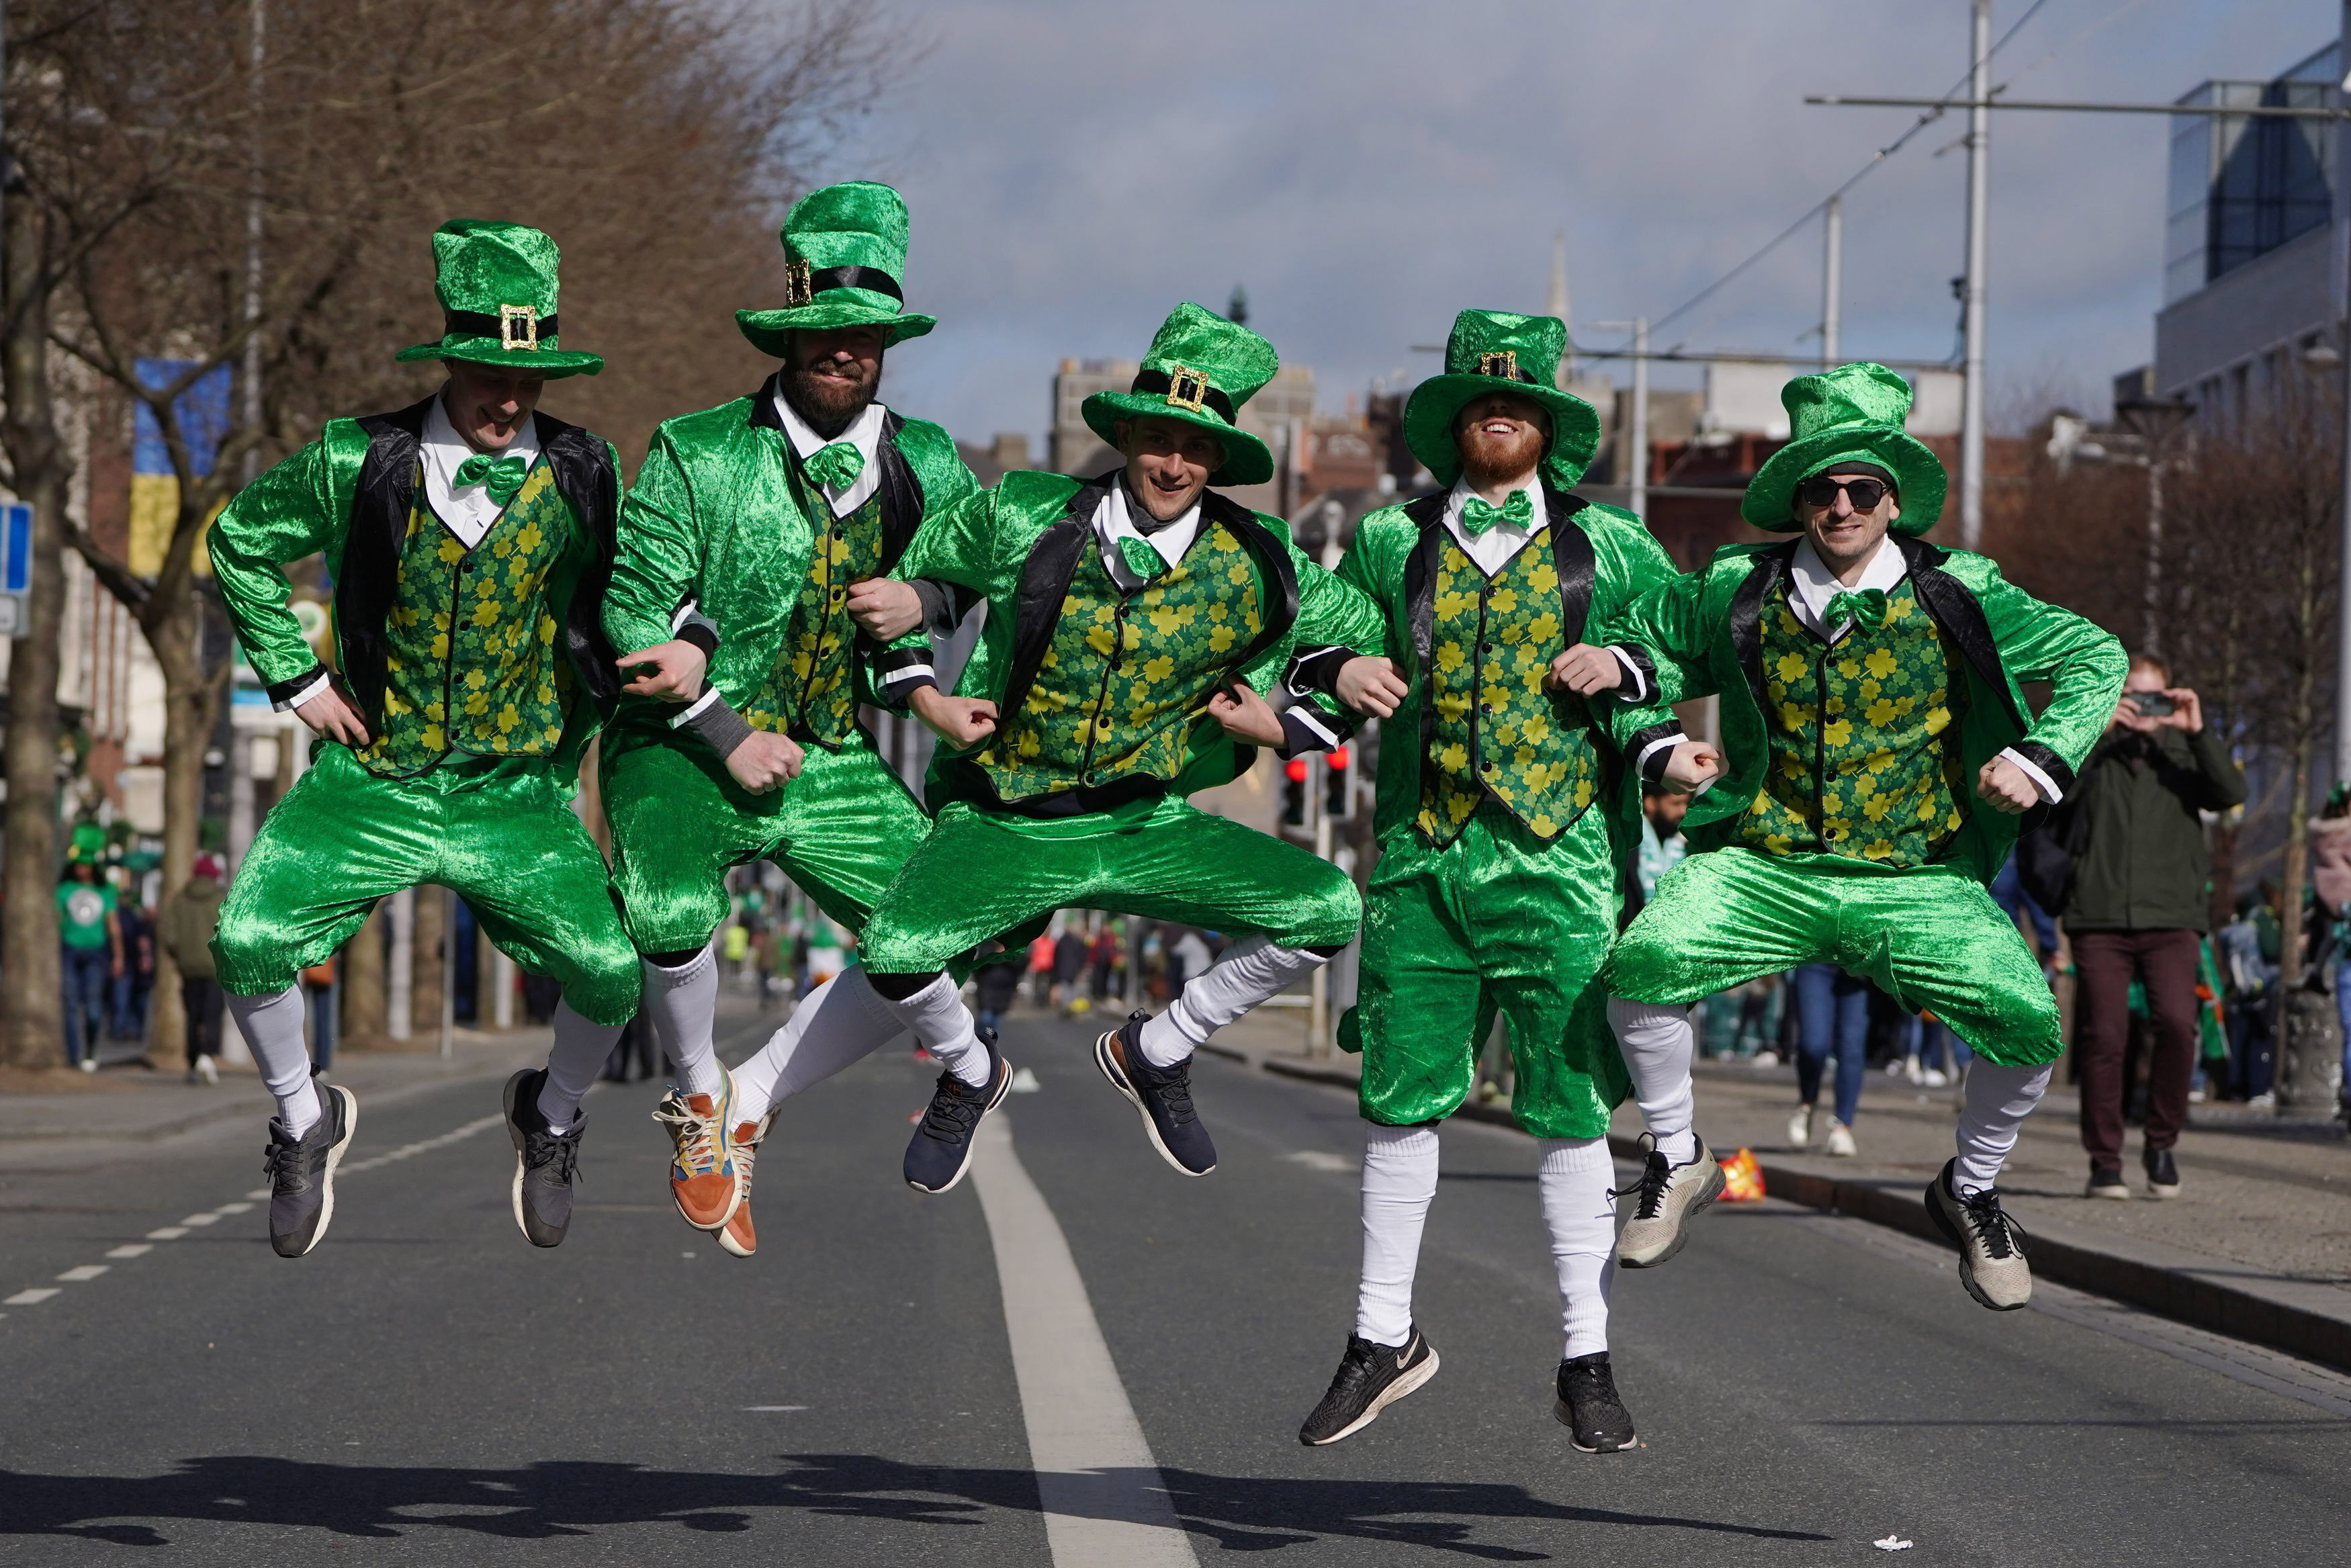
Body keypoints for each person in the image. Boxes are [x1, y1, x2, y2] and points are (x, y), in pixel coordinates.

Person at [1570, 362, 2125, 1311]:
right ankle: (1678, 1153)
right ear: (1796, 498)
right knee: (1645, 963)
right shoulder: (1740, 586)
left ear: (1893, 499)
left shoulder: (1960, 591)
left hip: (1913, 875)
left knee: (2031, 1022)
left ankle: (1972, 1188)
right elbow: (1645, 643)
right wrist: (1653, 733)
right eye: (1821, 488)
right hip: (1765, 862)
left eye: (1861, 487)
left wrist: (2038, 758)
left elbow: (2094, 654)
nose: (1840, 505)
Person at [858, 302, 1383, 1194]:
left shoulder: (1260, 558)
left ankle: (1161, 1046)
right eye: (1157, 438)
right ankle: (968, 1068)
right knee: (893, 947)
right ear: (1126, 434)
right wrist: (920, 673)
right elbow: (926, 577)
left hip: (1147, 822)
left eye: (1195, 448)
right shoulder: (1027, 510)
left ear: (1218, 458)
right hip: (1010, 818)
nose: (1173, 464)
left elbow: (1358, 641)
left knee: (1329, 907)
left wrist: (1289, 722)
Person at [1280, 310, 1682, 1453]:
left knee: (1566, 1112)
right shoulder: (1382, 540)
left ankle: (1586, 1358)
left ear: (1548, 428)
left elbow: (1674, 657)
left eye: (1520, 406)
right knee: (1401, 1101)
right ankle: (1380, 1337)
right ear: (1455, 423)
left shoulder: (1614, 547)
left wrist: (1638, 695)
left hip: (1561, 868)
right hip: (1420, 858)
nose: (1498, 418)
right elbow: (1319, 633)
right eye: (1480, 403)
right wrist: (1343, 663)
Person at [207, 220, 639, 1257]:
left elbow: (632, 595)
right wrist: (299, 675)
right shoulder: (359, 458)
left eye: (528, 377)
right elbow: (238, 541)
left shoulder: (587, 468)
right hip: (376, 775)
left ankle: (553, 1111)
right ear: (449, 357)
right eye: (489, 370)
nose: (507, 397)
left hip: (515, 791)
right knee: (246, 937)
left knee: (612, 968)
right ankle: (304, 1116)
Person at [594, 181, 979, 1260]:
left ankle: (753, 1096)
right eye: (821, 333)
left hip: (834, 753)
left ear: (885, 343)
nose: (841, 350)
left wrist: (928, 613)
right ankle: (696, 1101)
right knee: (667, 907)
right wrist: (722, 726)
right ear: (789, 334)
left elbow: (958, 577)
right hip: (684, 742)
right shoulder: (697, 450)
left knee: (949, 917)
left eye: (862, 335)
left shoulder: (929, 462)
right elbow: (636, 610)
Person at [2060, 653, 2246, 1198]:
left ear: (2171, 699)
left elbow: (2232, 796)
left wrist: (2197, 729)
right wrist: (2097, 728)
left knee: (2176, 1022)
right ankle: (2105, 1160)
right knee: (2105, 1036)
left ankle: (2161, 1143)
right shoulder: (2097, 750)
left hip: (2172, 916)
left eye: (2154, 698)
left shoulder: (2187, 752)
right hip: (2100, 915)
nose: (2142, 708)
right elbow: (2053, 801)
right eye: (2133, 696)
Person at [159, 854, 229, 1085]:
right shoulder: (221, 898)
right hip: (214, 966)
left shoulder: (179, 899)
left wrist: (179, 954)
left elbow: (167, 933)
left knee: (193, 1014)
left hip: (188, 966)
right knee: (212, 1013)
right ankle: (208, 1055)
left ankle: (191, 1061)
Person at [1787, 965, 1867, 1155]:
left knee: (1852, 1047)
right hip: (1816, 957)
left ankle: (1843, 1125)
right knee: (1813, 1045)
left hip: (1859, 967)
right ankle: (1807, 1102)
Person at [56, 855, 120, 1072]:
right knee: (71, 1005)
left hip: (96, 953)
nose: (81, 869)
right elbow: (56, 919)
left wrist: (118, 956)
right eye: (78, 865)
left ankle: (91, 1051)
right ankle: (74, 1057)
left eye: (85, 865)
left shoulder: (106, 890)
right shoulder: (64, 889)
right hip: (70, 951)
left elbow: (113, 924)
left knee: (94, 1009)